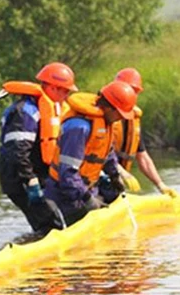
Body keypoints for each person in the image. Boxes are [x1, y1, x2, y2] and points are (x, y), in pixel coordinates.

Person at [0, 62, 76, 237]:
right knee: (50, 223)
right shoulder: (25, 112)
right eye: (65, 90)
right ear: (53, 88)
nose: (67, 95)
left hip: (40, 175)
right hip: (21, 178)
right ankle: (41, 259)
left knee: (61, 217)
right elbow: (17, 152)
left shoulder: (51, 108)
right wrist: (30, 181)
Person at [44, 80, 138, 226]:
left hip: (86, 190)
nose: (121, 119)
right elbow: (67, 173)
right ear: (109, 108)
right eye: (120, 114)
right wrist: (88, 199)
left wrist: (114, 176)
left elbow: (107, 152)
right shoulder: (78, 128)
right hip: (65, 197)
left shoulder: (104, 123)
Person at [100, 67, 177, 202]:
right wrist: (122, 172)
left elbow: (143, 156)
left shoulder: (133, 120)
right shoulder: (103, 115)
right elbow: (101, 152)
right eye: (128, 89)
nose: (131, 94)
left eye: (135, 92)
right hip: (98, 180)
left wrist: (160, 185)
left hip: (116, 181)